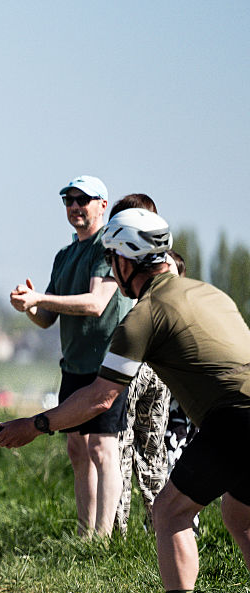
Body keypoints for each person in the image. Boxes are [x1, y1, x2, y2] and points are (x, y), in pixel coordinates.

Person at [0, 208, 250, 593]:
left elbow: (99, 398)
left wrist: (36, 424)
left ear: (125, 263)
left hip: (234, 418)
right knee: (238, 513)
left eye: (113, 258)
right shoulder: (209, 292)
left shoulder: (142, 317)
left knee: (170, 511)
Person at [10, 175, 131, 537]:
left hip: (109, 364)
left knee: (102, 449)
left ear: (103, 205)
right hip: (75, 363)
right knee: (78, 448)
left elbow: (96, 304)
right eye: (69, 200)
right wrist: (28, 306)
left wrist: (40, 299)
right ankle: (84, 536)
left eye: (83, 199)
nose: (75, 206)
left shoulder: (108, 247)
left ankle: (104, 539)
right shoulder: (65, 255)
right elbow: (46, 319)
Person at [106, 194, 171, 535]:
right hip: (161, 365)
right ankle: (168, 526)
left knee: (120, 443)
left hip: (131, 360)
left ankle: (120, 532)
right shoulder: (168, 262)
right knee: (153, 449)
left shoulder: (122, 261)